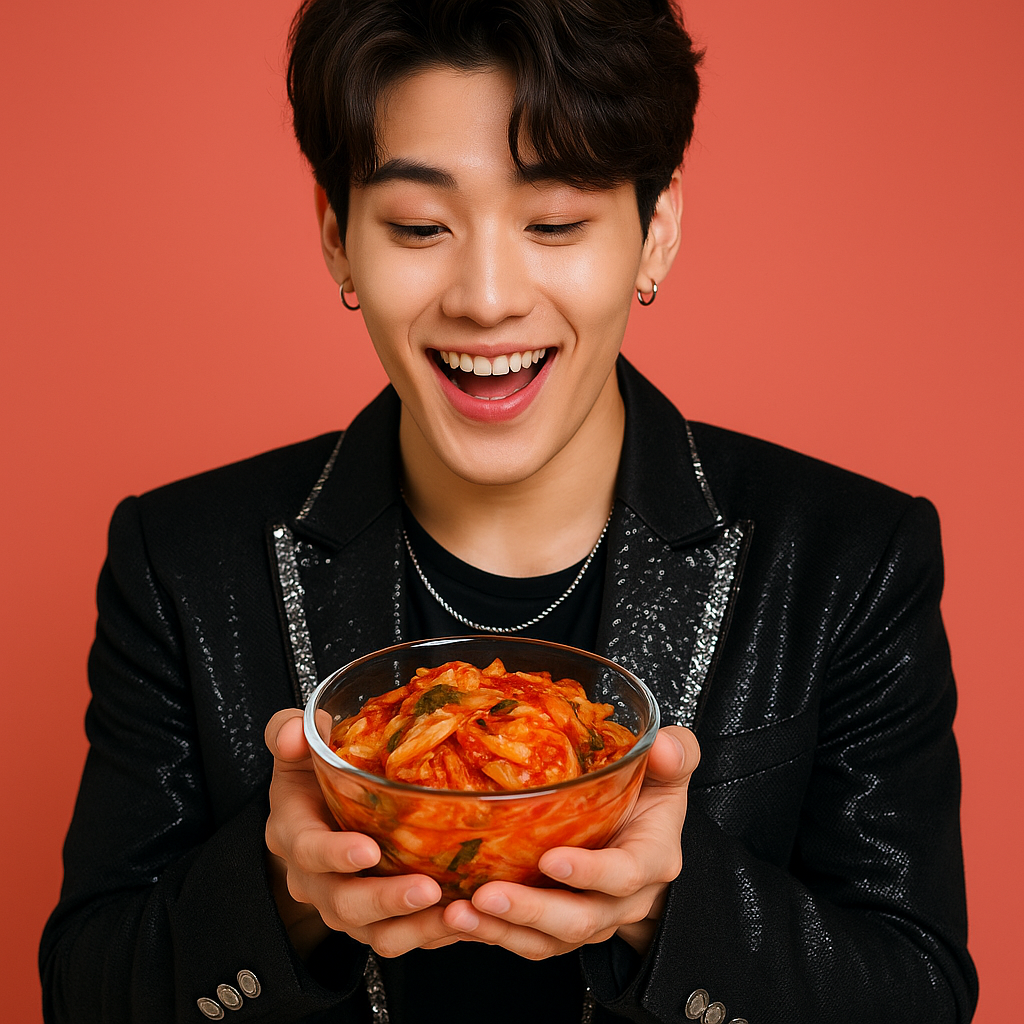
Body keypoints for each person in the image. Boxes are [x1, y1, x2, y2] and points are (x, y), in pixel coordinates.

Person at [39, 1, 978, 1022]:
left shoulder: (850, 559)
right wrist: (281, 896)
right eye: (417, 227)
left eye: (555, 222)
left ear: (653, 235)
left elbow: (918, 991)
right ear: (337, 238)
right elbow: (86, 984)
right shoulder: (181, 560)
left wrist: (668, 902)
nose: (486, 297)